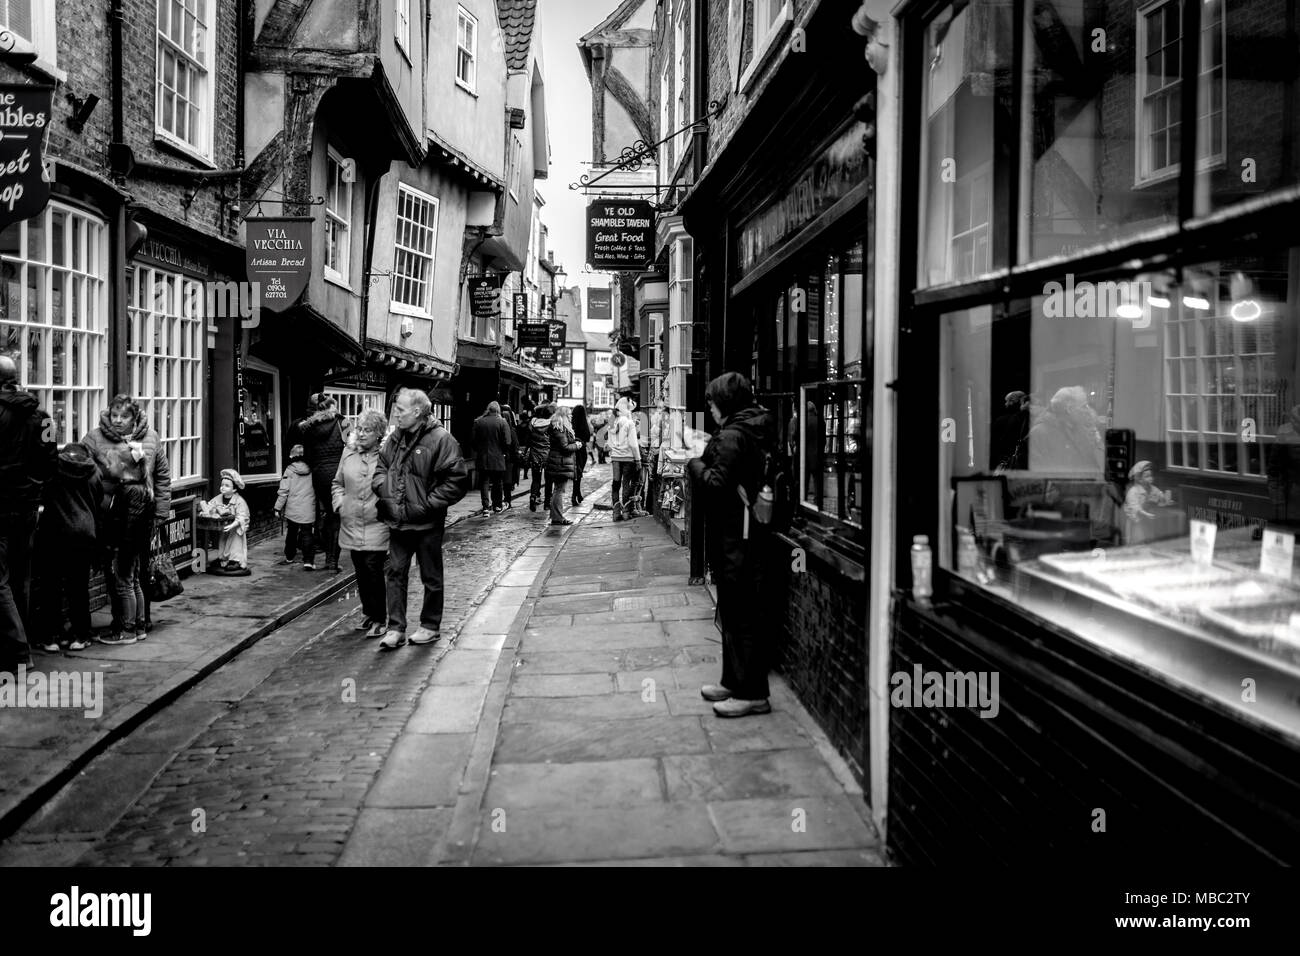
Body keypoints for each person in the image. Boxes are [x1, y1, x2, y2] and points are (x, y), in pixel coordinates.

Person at [687, 372, 776, 718]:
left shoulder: (734, 435)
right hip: (750, 534)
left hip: (737, 537)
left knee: (741, 616)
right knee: (738, 613)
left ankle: (752, 692)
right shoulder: (756, 426)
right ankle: (733, 681)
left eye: (711, 402)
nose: (708, 409)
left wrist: (694, 462)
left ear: (724, 402)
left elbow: (715, 485)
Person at [373, 388, 468, 650]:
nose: (396, 415)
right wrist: (383, 489)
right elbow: (381, 467)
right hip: (398, 520)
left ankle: (429, 626)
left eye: (400, 410)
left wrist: (428, 504)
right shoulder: (395, 438)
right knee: (395, 573)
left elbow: (457, 479)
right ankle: (395, 629)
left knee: (431, 576)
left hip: (427, 522)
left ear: (417, 411)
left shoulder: (441, 439)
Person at [83, 394, 171, 646]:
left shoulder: (151, 437)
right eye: (114, 416)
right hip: (110, 515)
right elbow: (83, 471)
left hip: (142, 515)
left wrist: (161, 514)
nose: (119, 421)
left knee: (134, 573)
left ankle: (133, 626)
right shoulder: (94, 438)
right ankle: (124, 623)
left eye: (124, 416)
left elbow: (163, 477)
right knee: (119, 574)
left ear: (135, 417)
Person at [0, 355, 56, 671]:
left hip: (3, 507)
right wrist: (33, 488)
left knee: (0, 580)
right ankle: (20, 646)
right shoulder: (43, 416)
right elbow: (50, 464)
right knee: (20, 578)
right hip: (28, 508)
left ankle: (19, 654)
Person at [32, 442, 103, 653]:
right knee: (78, 588)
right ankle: (80, 636)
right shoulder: (94, 473)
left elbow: (42, 495)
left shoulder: (54, 471)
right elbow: (97, 502)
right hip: (83, 534)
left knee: (50, 588)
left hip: (54, 533)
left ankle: (52, 637)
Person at [333, 409, 390, 638]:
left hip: (376, 522)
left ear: (378, 434)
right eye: (360, 429)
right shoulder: (348, 453)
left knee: (373, 568)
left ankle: (380, 618)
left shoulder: (387, 456)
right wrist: (340, 503)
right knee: (360, 571)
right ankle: (368, 612)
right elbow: (337, 483)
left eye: (368, 430)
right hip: (351, 521)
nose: (362, 434)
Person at [292, 393, 346, 572]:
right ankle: (332, 561)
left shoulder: (308, 428)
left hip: (317, 475)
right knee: (334, 516)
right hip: (338, 473)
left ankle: (309, 560)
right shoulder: (342, 422)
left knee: (313, 515)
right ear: (332, 407)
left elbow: (307, 454)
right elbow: (351, 446)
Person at [199, 469, 251, 574]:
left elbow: (242, 517)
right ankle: (223, 560)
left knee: (235, 542)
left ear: (234, 490)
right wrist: (206, 511)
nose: (223, 487)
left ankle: (235, 560)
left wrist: (232, 526)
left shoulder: (239, 501)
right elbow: (210, 506)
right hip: (224, 527)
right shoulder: (218, 498)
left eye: (227, 486)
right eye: (222, 485)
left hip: (236, 529)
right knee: (223, 542)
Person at [275, 443, 317, 569]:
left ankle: (289, 557)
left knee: (292, 532)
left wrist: (277, 507)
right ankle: (308, 561)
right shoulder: (312, 469)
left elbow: (284, 491)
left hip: (293, 507)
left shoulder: (290, 469)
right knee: (307, 533)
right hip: (309, 507)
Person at [546, 406, 584, 526]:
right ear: (563, 416)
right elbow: (565, 447)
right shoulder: (560, 429)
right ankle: (557, 517)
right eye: (569, 415)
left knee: (558, 489)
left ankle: (556, 516)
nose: (571, 416)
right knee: (559, 490)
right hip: (560, 463)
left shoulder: (561, 428)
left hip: (559, 462)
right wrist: (577, 446)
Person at [472, 401, 511, 516]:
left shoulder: (478, 422)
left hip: (483, 457)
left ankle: (485, 508)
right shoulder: (502, 422)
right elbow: (507, 441)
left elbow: (473, 441)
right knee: (497, 482)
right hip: (498, 457)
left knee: (484, 482)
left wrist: (479, 450)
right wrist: (503, 452)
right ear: (498, 410)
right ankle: (497, 505)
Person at [609, 398, 645, 520]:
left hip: (615, 458)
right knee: (626, 484)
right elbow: (634, 443)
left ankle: (615, 512)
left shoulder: (612, 422)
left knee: (615, 484)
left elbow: (608, 442)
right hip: (628, 458)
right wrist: (638, 459)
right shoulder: (629, 423)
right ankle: (625, 511)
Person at [1123, 460, 1173, 546]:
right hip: (1137, 523)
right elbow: (1135, 508)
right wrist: (1145, 513)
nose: (1151, 478)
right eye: (1147, 476)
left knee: (1150, 541)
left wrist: (1165, 499)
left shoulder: (1152, 488)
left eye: (1151, 475)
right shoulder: (1133, 492)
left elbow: (1159, 495)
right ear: (1139, 479)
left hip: (1148, 521)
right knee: (1138, 543)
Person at [990, 390, 1030, 472]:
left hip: (1007, 462)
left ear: (1013, 402)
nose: (1005, 404)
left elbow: (995, 444)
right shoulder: (1028, 420)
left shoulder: (1001, 421)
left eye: (1007, 401)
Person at [525, 404, 553, 512]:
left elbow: (528, 440)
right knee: (549, 480)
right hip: (548, 455)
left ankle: (533, 496)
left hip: (535, 455)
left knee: (536, 479)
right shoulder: (550, 424)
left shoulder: (532, 424)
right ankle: (547, 503)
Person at [571, 404, 592, 505]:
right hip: (581, 450)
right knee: (578, 474)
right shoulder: (584, 424)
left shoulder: (571, 424)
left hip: (572, 449)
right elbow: (588, 436)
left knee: (575, 474)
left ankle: (577, 494)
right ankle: (575, 495)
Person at [501, 405, 521, 509]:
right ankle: (507, 500)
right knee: (507, 481)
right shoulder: (512, 430)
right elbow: (515, 445)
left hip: (501, 457)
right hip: (509, 459)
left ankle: (502, 501)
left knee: (501, 481)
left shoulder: (500, 429)